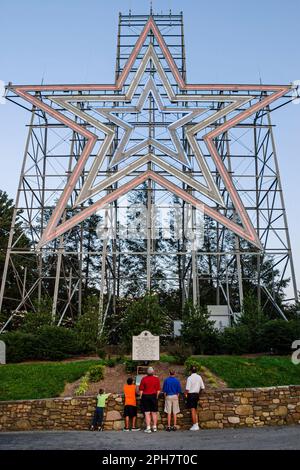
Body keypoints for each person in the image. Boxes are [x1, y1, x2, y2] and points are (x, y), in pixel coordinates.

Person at [139, 366, 161, 433]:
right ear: (153, 372)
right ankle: (154, 427)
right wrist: (156, 397)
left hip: (145, 396)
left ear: (147, 372)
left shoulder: (143, 379)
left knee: (147, 413)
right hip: (153, 396)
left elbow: (141, 390)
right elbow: (158, 390)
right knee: (154, 412)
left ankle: (148, 428)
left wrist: (141, 397)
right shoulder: (156, 379)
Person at [185, 366, 205, 431]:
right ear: (196, 370)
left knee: (193, 410)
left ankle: (194, 425)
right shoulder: (199, 377)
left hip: (191, 395)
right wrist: (198, 393)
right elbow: (202, 387)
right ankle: (196, 424)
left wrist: (185, 394)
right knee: (195, 410)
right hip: (196, 394)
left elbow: (187, 389)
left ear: (190, 371)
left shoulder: (189, 378)